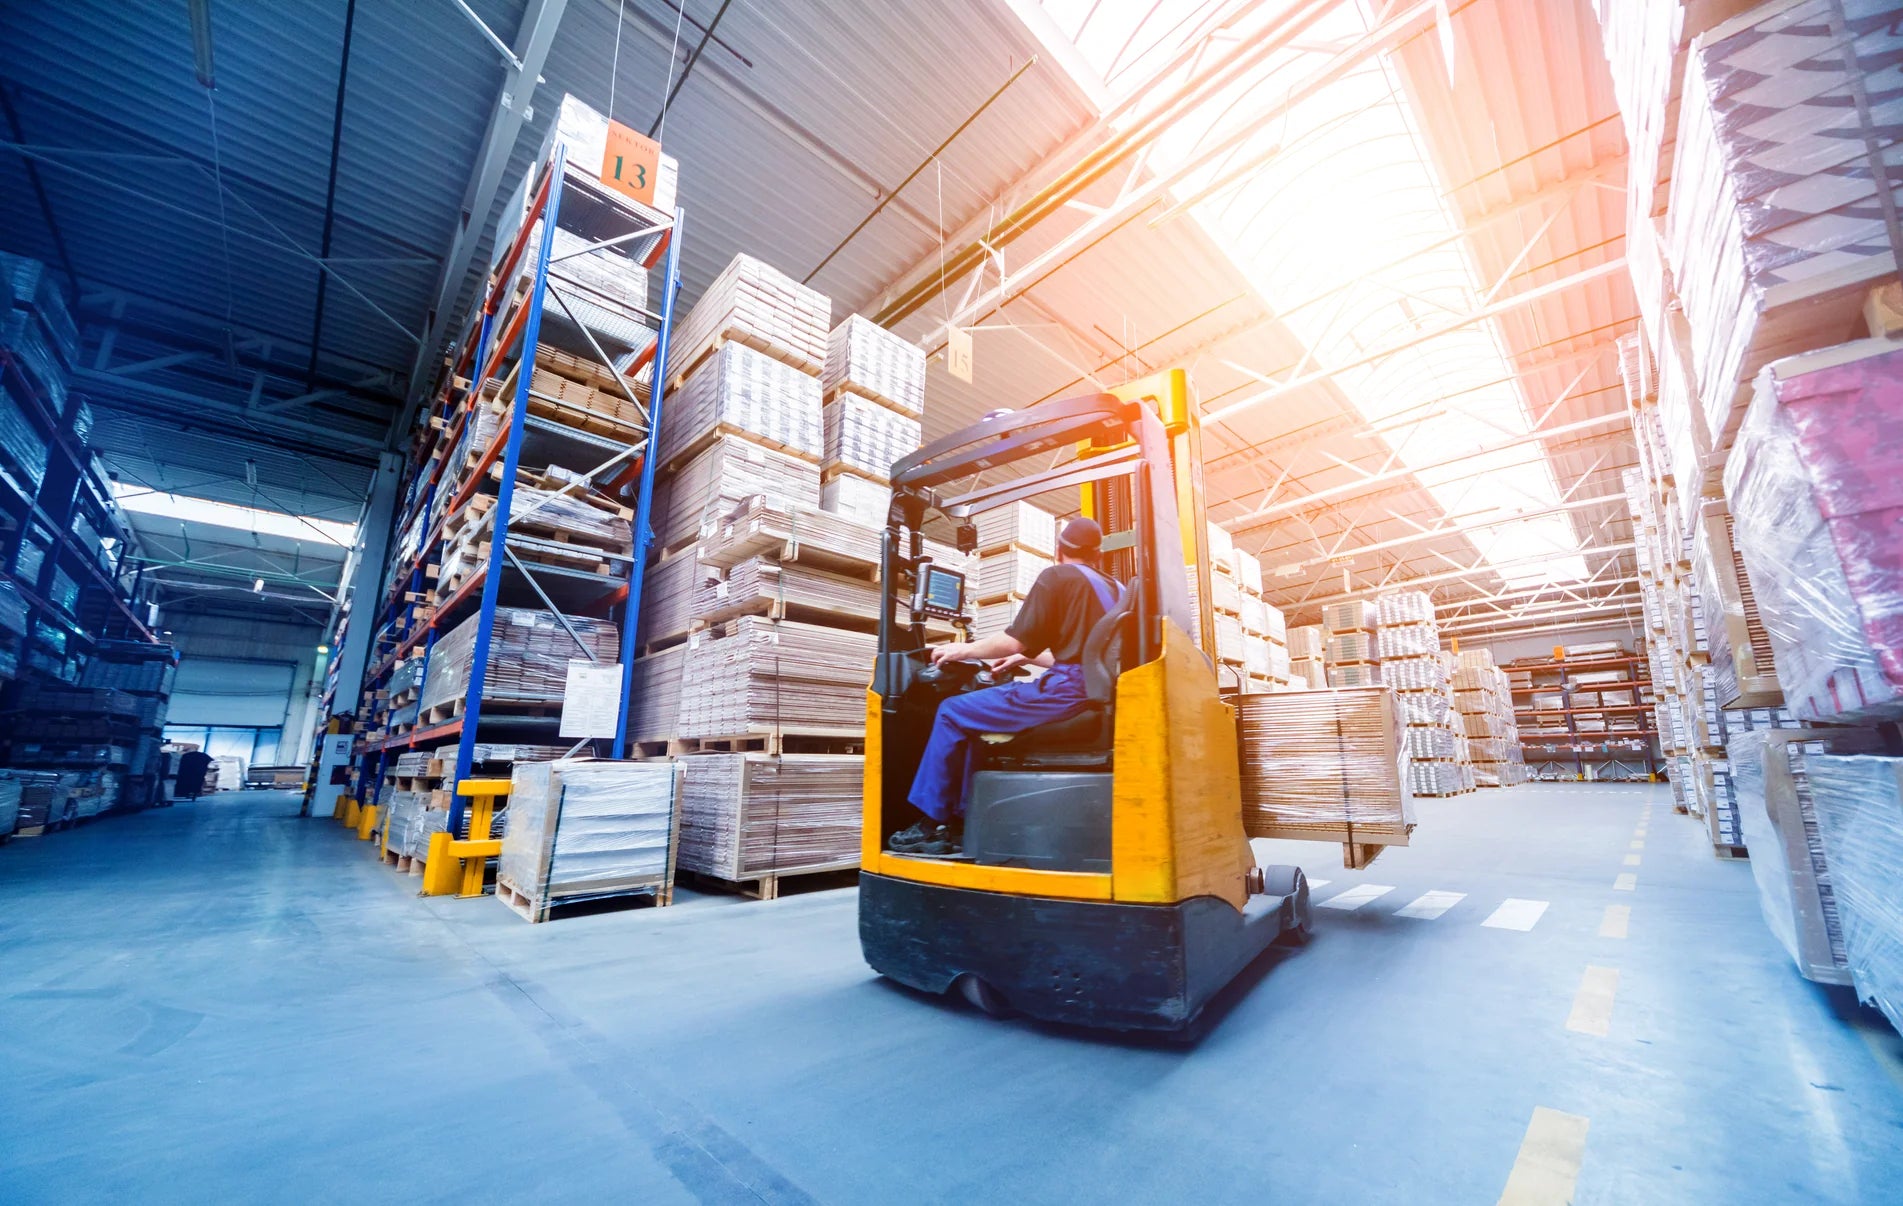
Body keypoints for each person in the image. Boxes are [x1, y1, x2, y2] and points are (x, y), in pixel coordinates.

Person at [889, 516, 1119, 855]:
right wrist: (1026, 660)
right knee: (976, 719)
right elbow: (1089, 658)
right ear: (1098, 554)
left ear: (1059, 550)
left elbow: (1014, 640)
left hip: (1065, 692)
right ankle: (963, 819)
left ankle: (928, 823)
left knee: (952, 711)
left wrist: (961, 649)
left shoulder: (1057, 577)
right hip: (1089, 691)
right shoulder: (1115, 589)